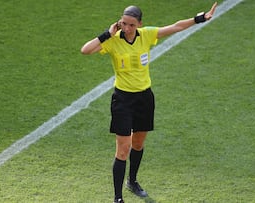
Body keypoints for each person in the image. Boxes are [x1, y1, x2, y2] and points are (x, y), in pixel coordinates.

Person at [81, 2, 217, 203]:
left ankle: (132, 181)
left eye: (131, 25)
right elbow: (86, 50)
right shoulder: (113, 40)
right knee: (123, 148)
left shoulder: (146, 35)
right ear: (119, 22)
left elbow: (176, 26)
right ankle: (117, 198)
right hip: (122, 100)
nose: (127, 28)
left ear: (139, 24)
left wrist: (199, 18)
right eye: (124, 23)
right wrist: (107, 34)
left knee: (138, 143)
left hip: (144, 98)